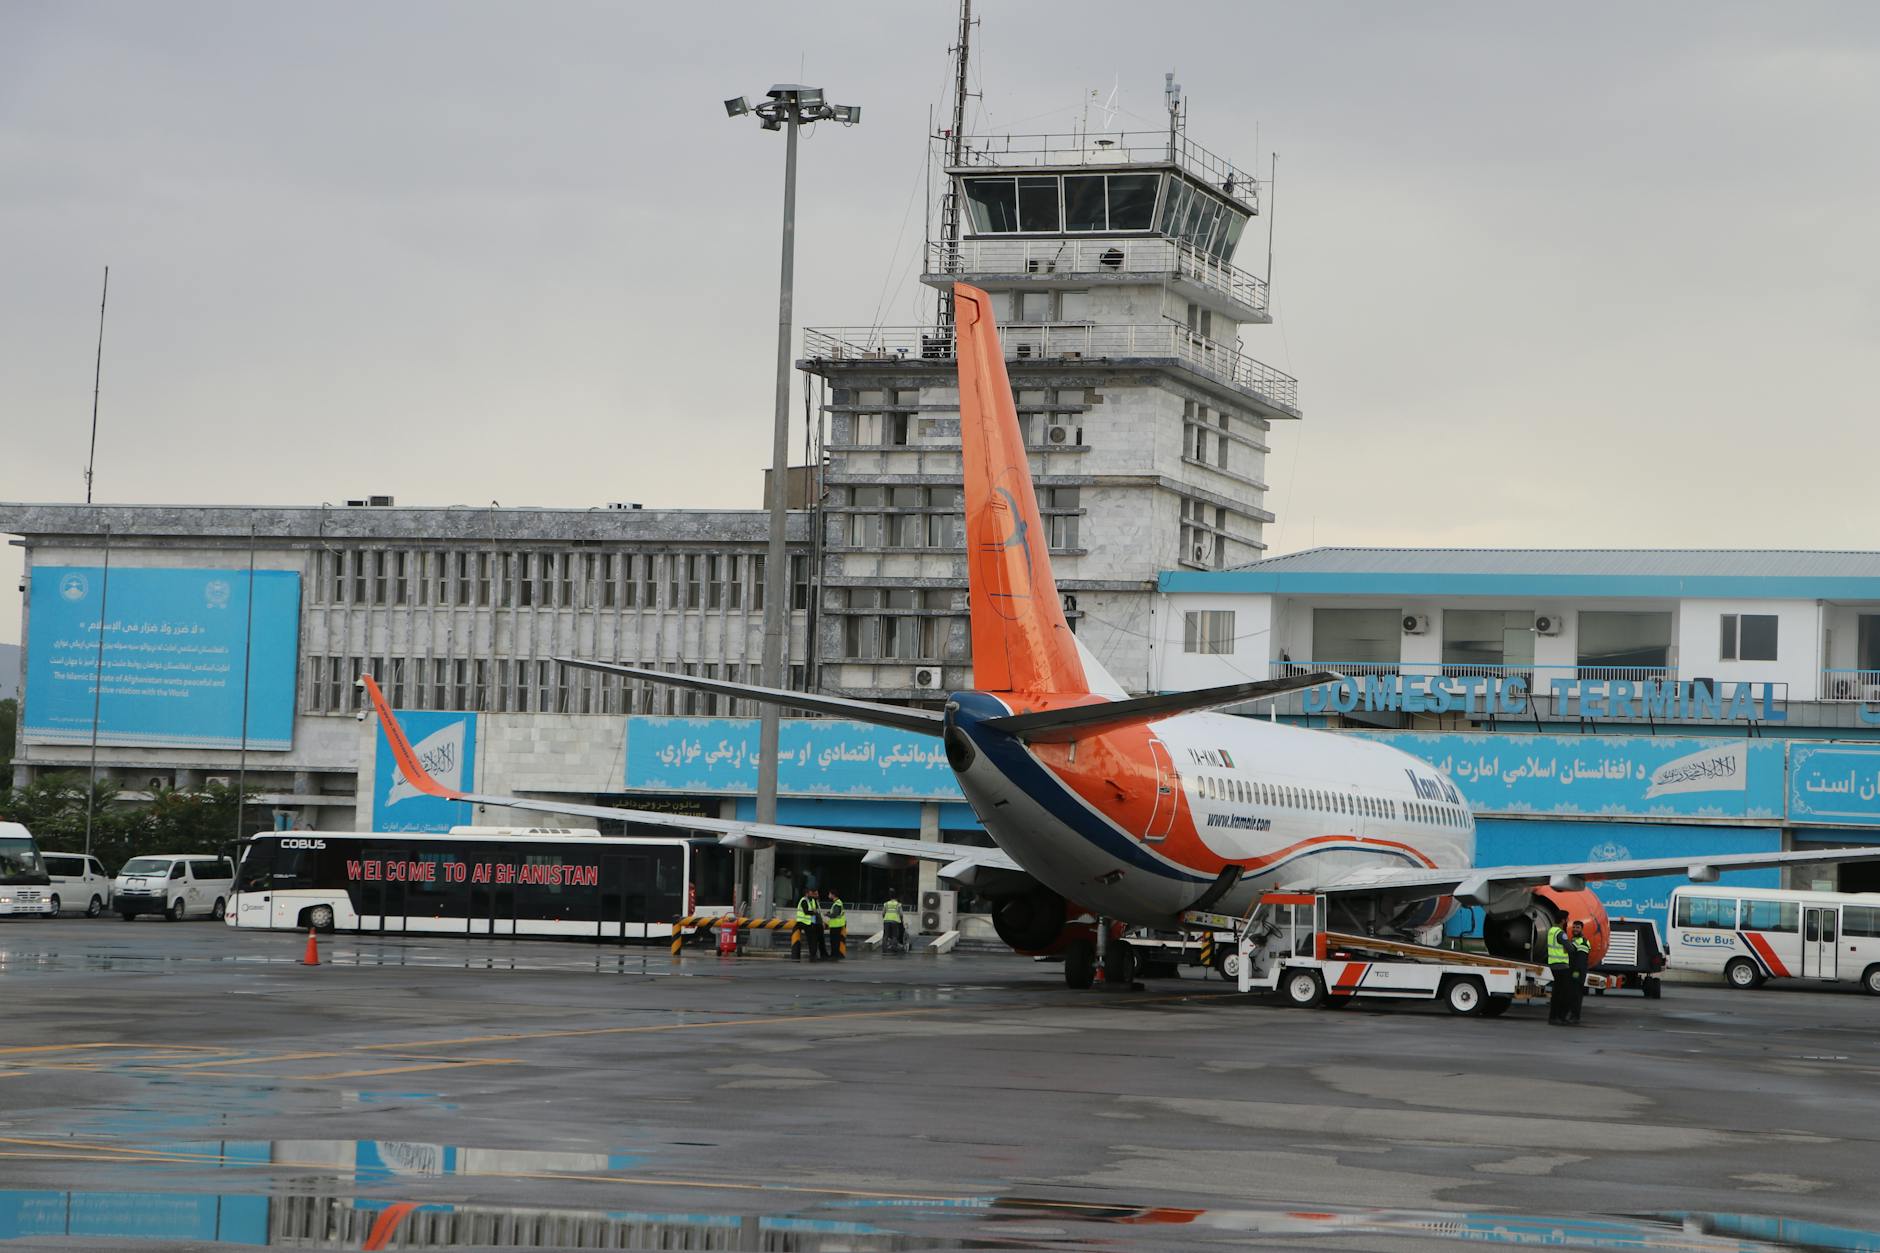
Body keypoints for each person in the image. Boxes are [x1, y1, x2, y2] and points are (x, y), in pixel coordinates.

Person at [1545, 917, 1574, 1025]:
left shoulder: (1551, 931)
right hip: (1562, 966)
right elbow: (1570, 948)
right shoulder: (1561, 933)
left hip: (1553, 964)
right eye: (1567, 919)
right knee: (1564, 993)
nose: (1567, 921)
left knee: (1557, 993)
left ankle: (1553, 1017)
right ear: (1563, 920)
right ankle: (1559, 1017)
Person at [1565, 919, 1592, 1024]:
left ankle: (1575, 1017)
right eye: (1574, 927)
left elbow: (1581, 960)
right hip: (1572, 972)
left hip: (1577, 973)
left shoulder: (1583, 942)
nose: (1575, 929)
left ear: (1582, 929)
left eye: (1578, 927)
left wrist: (1576, 972)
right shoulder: (1574, 940)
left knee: (1576, 996)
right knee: (1571, 995)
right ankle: (1571, 1015)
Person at [793, 887, 821, 962]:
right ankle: (812, 955)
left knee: (812, 939)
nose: (812, 894)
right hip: (804, 923)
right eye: (810, 893)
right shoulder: (804, 901)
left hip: (807, 922)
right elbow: (806, 912)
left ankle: (813, 955)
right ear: (806, 893)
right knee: (812, 939)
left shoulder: (809, 901)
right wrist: (814, 912)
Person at [825, 892, 847, 960]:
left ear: (833, 895)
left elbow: (834, 915)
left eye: (829, 894)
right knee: (835, 941)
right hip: (837, 925)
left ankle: (834, 955)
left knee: (834, 941)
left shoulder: (837, 903)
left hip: (836, 925)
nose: (828, 895)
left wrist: (827, 914)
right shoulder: (837, 903)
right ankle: (834, 955)